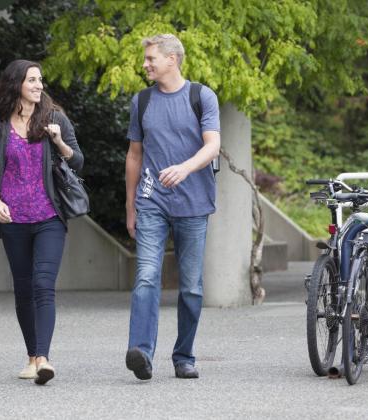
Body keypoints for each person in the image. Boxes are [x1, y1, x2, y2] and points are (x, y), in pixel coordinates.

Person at [0, 59, 83, 385]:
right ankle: (30, 356)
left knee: (43, 285)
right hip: (13, 218)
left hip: (49, 216)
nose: (39, 86)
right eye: (32, 80)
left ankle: (43, 358)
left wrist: (58, 141)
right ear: (16, 85)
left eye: (40, 80)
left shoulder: (55, 120)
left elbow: (77, 160)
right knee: (23, 288)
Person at [125, 34, 221, 380]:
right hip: (152, 201)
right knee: (147, 276)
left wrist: (185, 168)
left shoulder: (201, 96)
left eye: (151, 58)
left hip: (194, 204)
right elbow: (134, 155)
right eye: (146, 58)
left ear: (172, 59)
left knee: (192, 286)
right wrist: (130, 206)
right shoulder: (143, 101)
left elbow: (213, 145)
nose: (145, 64)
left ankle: (184, 356)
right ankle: (141, 353)